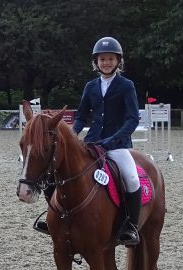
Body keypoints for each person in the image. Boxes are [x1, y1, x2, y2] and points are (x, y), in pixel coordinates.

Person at [36, 36, 142, 245]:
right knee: (55, 169)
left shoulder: (126, 86)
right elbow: (82, 116)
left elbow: (132, 119)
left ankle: (130, 226)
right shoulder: (90, 86)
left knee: (131, 177)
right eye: (102, 59)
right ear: (96, 62)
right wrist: (73, 134)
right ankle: (52, 217)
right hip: (92, 142)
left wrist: (113, 139)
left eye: (111, 59)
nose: (106, 63)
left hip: (118, 145)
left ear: (118, 61)